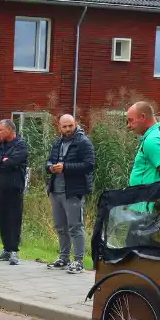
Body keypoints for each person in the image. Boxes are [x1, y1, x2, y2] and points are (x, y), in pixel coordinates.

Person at [45, 114, 95, 275]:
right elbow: (48, 161)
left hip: (73, 190)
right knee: (60, 226)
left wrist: (65, 167)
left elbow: (89, 165)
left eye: (70, 126)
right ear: (59, 127)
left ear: (75, 124)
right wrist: (50, 167)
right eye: (64, 126)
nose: (67, 129)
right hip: (56, 189)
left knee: (75, 226)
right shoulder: (57, 142)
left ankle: (79, 261)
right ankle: (63, 258)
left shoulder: (83, 142)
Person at [0, 119, 29, 265]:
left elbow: (14, 161)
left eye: (1, 130)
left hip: (15, 188)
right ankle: (6, 249)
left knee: (14, 219)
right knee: (2, 218)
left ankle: (14, 251)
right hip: (0, 187)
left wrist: (0, 161)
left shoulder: (21, 145)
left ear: (10, 130)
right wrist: (1, 160)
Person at [126, 101, 160, 186]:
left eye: (131, 121)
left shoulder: (153, 140)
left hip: (148, 198)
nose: (128, 125)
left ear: (142, 117)